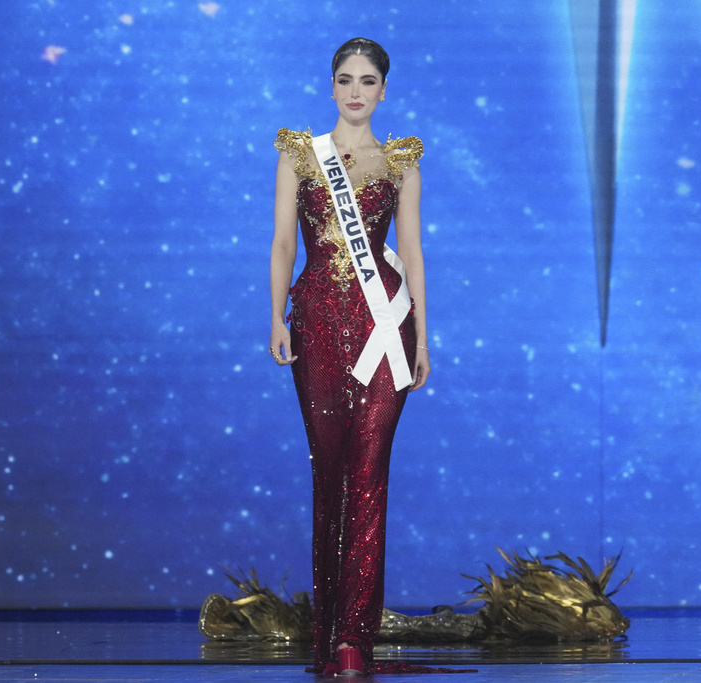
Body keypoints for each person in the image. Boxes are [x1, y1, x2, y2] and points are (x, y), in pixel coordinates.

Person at [269, 37, 429, 675]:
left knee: (370, 477)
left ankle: (353, 639)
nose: (356, 91)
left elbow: (413, 254)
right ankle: (330, 623)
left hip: (384, 330)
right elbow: (283, 241)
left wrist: (426, 333)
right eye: (345, 79)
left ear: (384, 90)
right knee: (329, 474)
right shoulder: (300, 156)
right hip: (314, 324)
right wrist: (274, 315)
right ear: (331, 87)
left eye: (368, 81)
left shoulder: (401, 162)